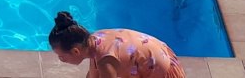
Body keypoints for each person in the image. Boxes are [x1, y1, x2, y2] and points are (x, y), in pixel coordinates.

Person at [47, 12, 183, 78]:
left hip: (162, 72)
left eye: (62, 57)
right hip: (160, 53)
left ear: (76, 51)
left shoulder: (106, 62)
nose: (61, 60)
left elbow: (104, 68)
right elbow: (93, 75)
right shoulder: (94, 40)